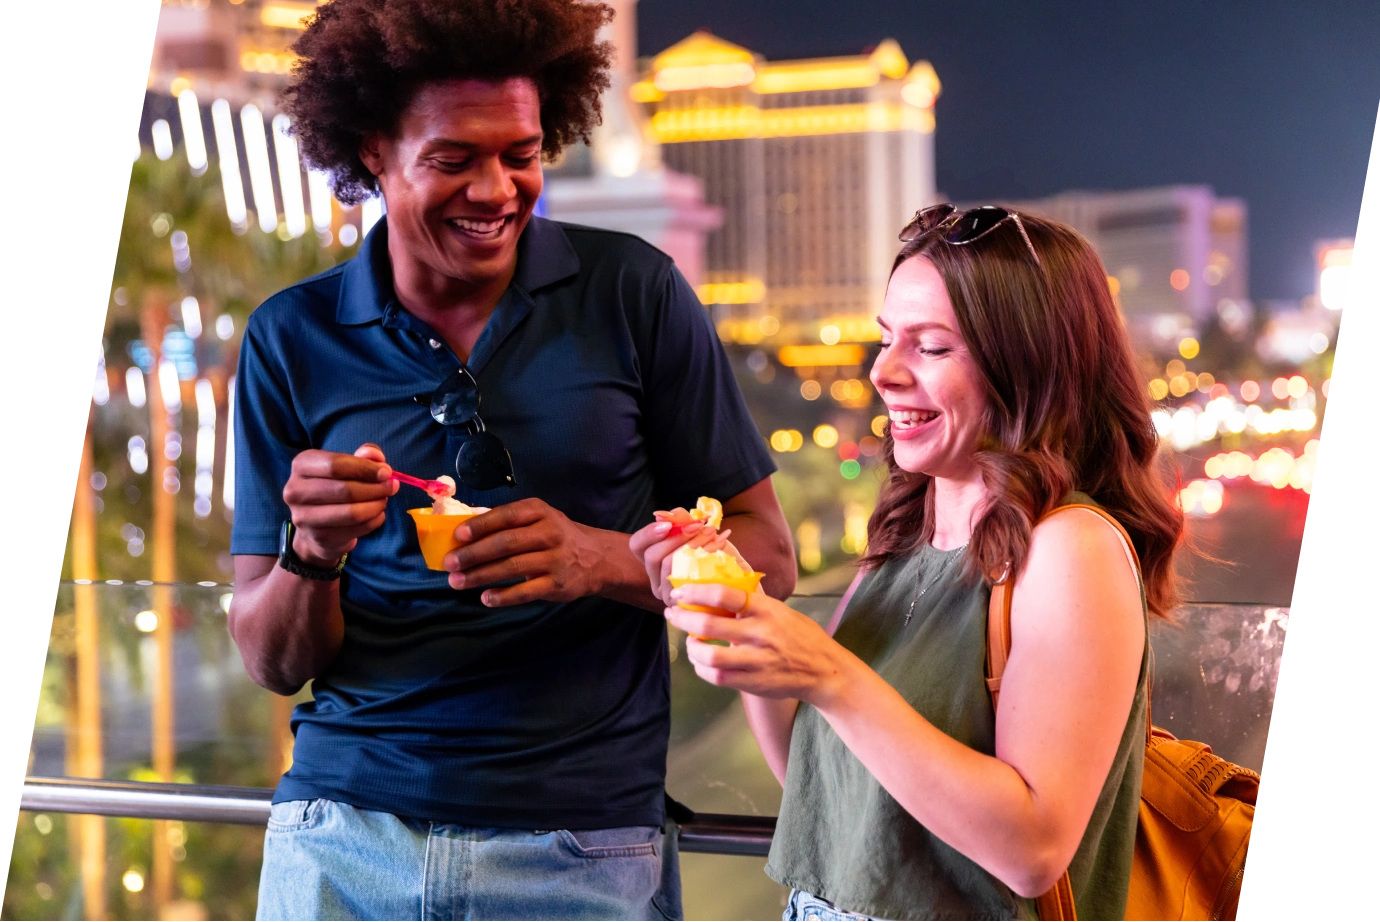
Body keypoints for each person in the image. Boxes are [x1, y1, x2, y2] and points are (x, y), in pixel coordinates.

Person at [225, 2, 796, 919]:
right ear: (373, 150)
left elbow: (768, 558)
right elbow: (268, 657)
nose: (496, 190)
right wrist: (312, 554)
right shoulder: (291, 337)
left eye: (521, 155)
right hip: (341, 843)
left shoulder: (636, 294)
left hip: (582, 849)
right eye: (453, 159)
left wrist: (599, 559)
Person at [634, 205, 1184, 922]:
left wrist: (830, 675)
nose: (883, 373)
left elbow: (1033, 849)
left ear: (1026, 366)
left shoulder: (1070, 548)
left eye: (929, 348)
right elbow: (827, 789)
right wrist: (744, 624)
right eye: (887, 339)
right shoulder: (902, 535)